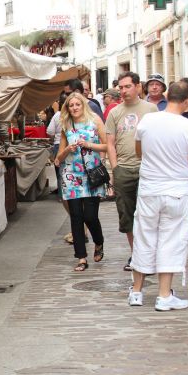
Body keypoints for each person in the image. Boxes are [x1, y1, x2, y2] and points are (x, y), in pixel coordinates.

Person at [128, 81, 188, 310]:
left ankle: (136, 292)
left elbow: (139, 151)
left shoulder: (148, 120)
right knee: (171, 240)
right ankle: (164, 295)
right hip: (177, 190)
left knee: (144, 236)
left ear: (168, 95)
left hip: (150, 188)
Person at [106, 71, 158, 271]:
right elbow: (110, 143)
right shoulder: (115, 112)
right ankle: (136, 255)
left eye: (127, 86)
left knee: (149, 214)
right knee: (127, 215)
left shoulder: (151, 109)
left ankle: (150, 255)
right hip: (124, 170)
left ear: (138, 87)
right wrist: (115, 168)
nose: (124, 91)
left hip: (147, 169)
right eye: (121, 87)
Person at [55, 92, 107, 271]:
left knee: (90, 216)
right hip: (71, 175)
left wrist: (88, 145)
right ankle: (81, 257)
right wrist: (68, 149)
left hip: (92, 174)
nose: (75, 108)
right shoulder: (66, 125)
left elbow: (108, 145)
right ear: (67, 108)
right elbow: (58, 159)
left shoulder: (95, 121)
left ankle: (99, 242)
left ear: (83, 105)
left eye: (78, 104)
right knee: (76, 217)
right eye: (71, 105)